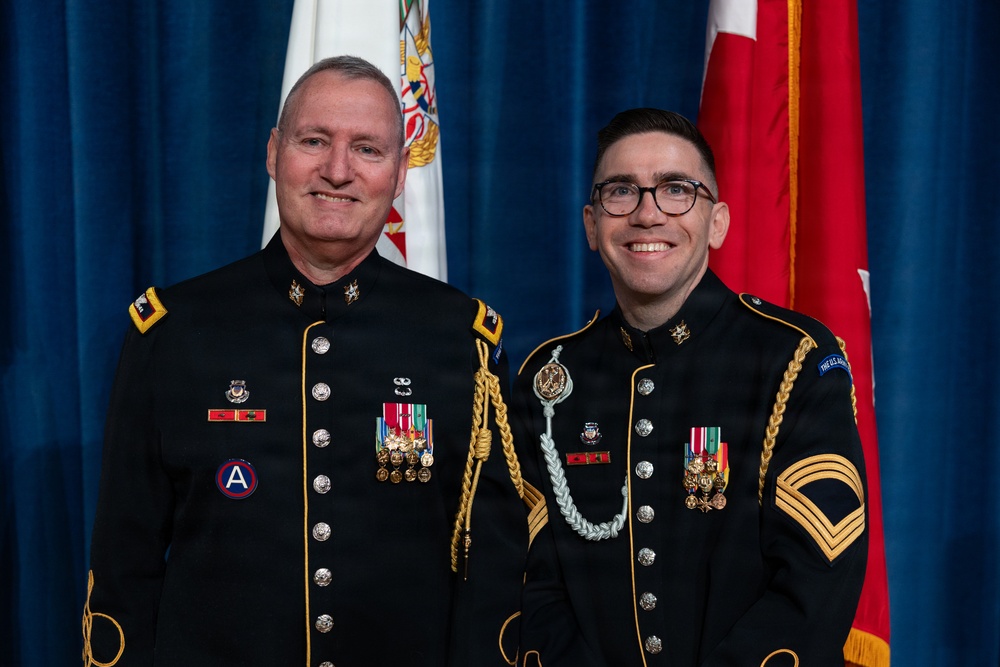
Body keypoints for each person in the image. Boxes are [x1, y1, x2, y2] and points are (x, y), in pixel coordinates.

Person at [82, 55, 527, 667]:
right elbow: (122, 570)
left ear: (399, 175)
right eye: (314, 141)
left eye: (368, 150)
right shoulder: (173, 332)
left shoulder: (461, 340)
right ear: (272, 153)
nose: (337, 171)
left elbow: (494, 578)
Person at [513, 109, 868, 666]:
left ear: (718, 222)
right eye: (621, 191)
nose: (647, 214)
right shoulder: (548, 380)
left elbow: (816, 579)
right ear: (590, 224)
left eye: (677, 190)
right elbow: (528, 580)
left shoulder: (793, 359)